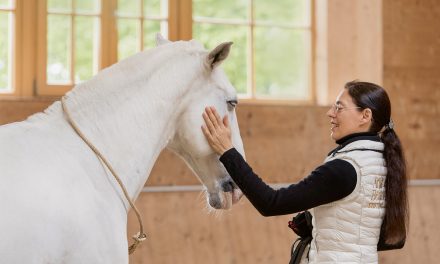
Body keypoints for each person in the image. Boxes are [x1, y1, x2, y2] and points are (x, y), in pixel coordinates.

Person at [201, 80, 408, 263]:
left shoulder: (345, 168)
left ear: (365, 115)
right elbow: (373, 232)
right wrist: (315, 224)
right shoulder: (382, 162)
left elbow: (271, 202)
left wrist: (227, 151)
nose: (330, 113)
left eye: (339, 107)